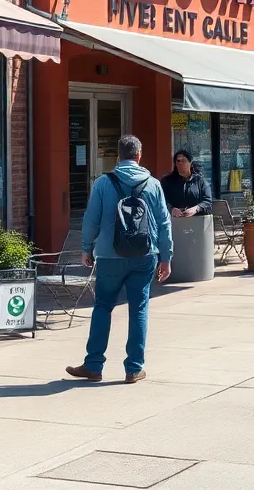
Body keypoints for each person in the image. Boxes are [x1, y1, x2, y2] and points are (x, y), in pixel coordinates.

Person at [67, 134, 172, 384]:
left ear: (118, 155)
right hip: (145, 254)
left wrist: (86, 248)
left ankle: (93, 365)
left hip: (109, 255)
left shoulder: (103, 183)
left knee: (103, 306)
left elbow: (91, 218)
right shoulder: (153, 184)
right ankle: (134, 368)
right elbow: (164, 222)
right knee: (139, 308)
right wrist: (166, 257)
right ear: (139, 155)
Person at [160, 150, 213, 219]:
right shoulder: (167, 181)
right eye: (178, 161)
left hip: (197, 221)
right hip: (174, 221)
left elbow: (208, 202)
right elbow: (161, 199)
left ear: (190, 163)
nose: (180, 163)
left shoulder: (199, 180)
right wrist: (171, 209)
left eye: (183, 161)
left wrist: (196, 208)